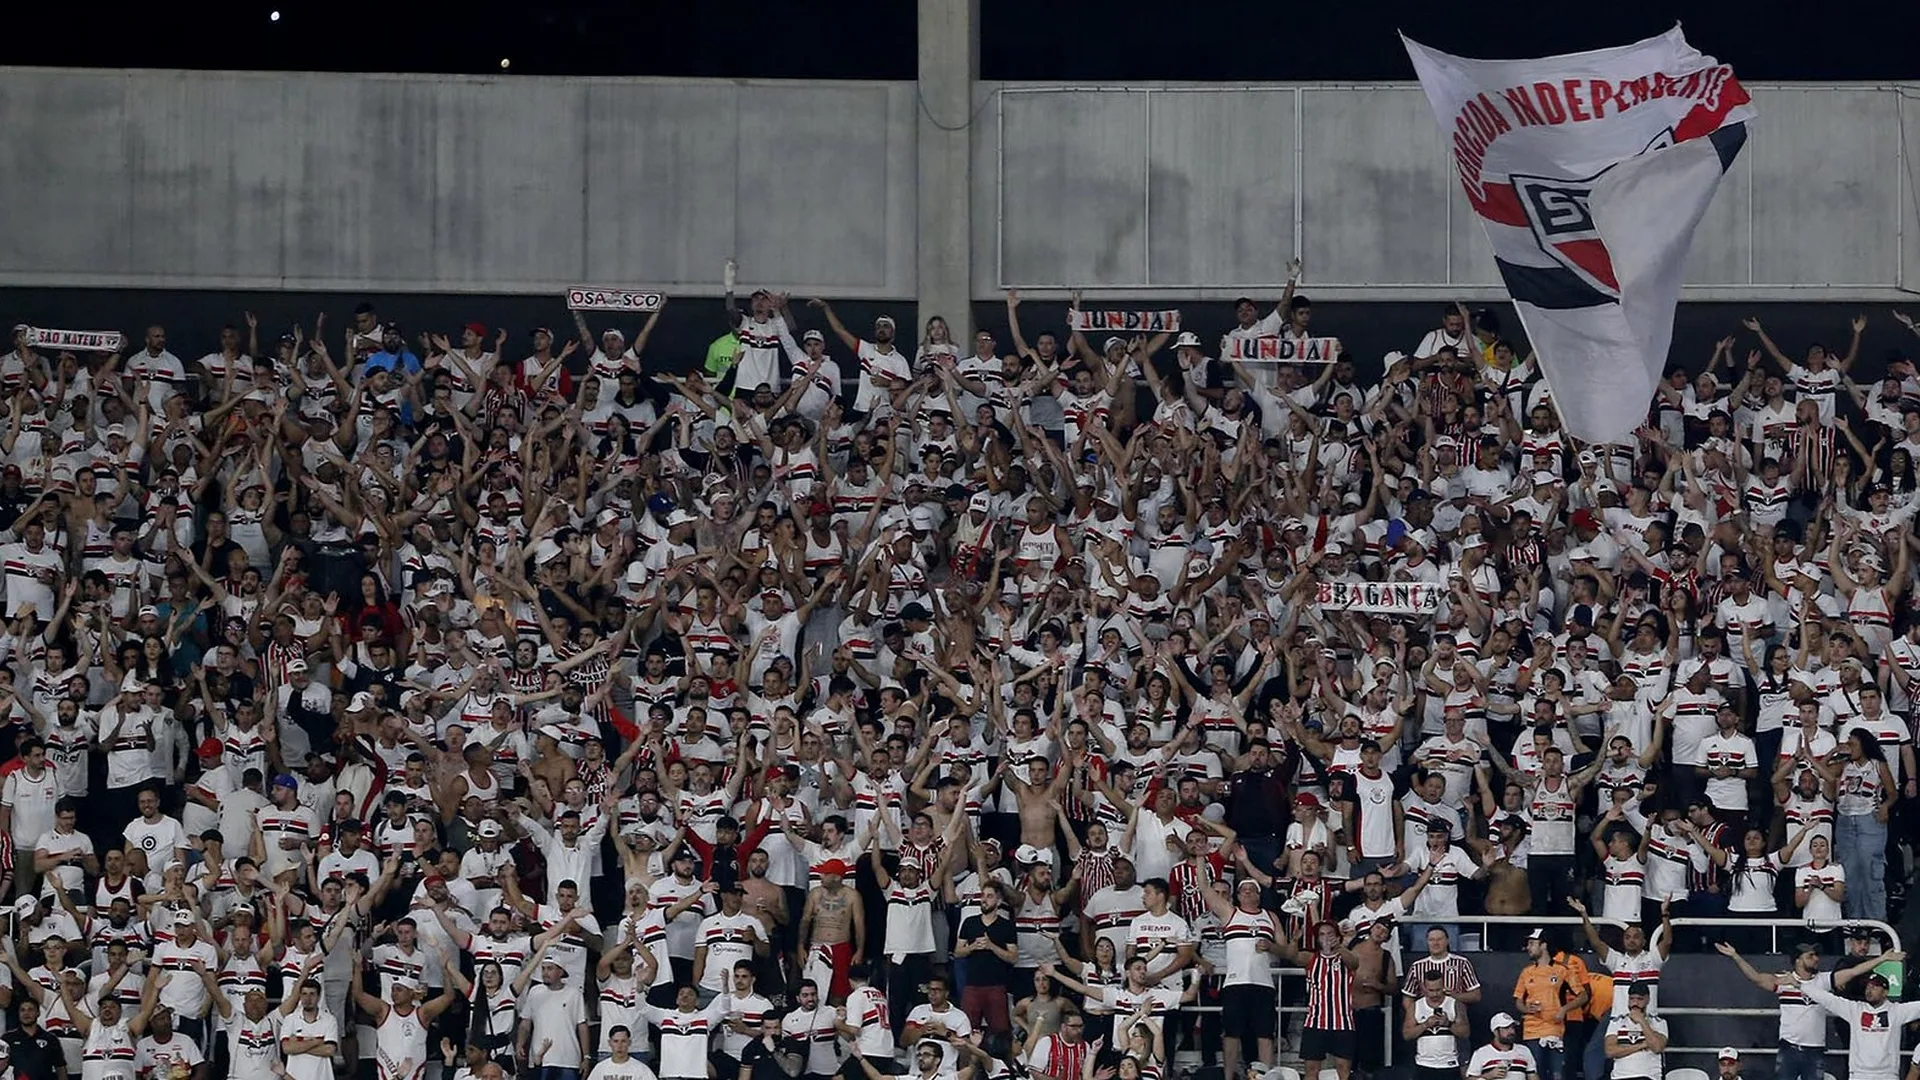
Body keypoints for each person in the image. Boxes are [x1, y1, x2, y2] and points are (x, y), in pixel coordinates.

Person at [1788, 959, 1919, 1080]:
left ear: (1885, 992)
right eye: (1868, 986)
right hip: (1858, 1074)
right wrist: (1800, 985)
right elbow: (1827, 999)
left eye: (1874, 987)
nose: (1869, 990)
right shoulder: (1855, 1010)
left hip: (1887, 1075)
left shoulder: (1897, 1011)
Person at [1602, 984, 1668, 1080]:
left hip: (1647, 1076)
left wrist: (1642, 1021)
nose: (1635, 1003)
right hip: (1620, 1076)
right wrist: (1641, 1045)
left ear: (1647, 1000)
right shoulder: (1616, 1022)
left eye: (1640, 999)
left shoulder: (1658, 1023)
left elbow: (1657, 1047)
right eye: (1632, 999)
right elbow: (1610, 1051)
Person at [1468, 1013, 1538, 1080]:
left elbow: (1532, 1075)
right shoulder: (1481, 1053)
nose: (1511, 1031)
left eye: (1512, 1027)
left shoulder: (1524, 1050)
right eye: (1506, 1028)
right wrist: (1488, 1076)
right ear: (1495, 1031)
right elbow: (1470, 1078)